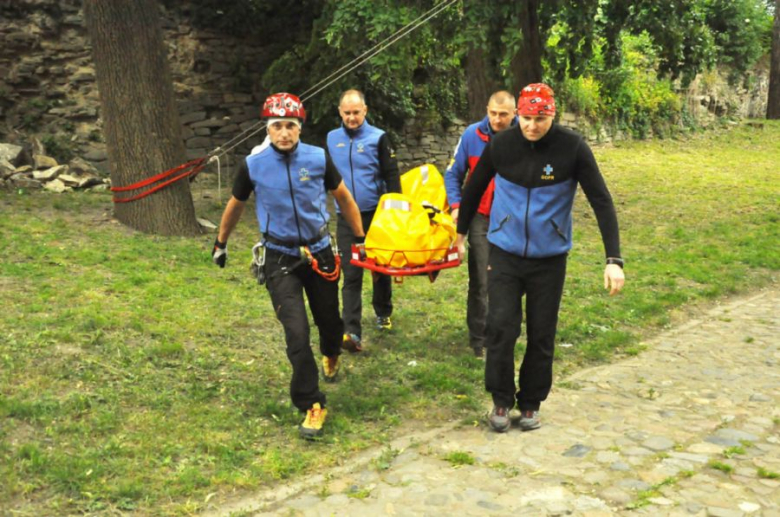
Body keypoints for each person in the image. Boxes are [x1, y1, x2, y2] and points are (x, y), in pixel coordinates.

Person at [455, 83, 626, 433]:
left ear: (553, 115)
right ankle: (501, 401)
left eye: (541, 118)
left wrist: (614, 259)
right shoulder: (502, 145)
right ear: (519, 114)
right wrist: (459, 236)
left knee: (541, 332)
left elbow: (602, 201)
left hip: (549, 258)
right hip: (504, 251)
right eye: (527, 118)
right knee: (500, 327)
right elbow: (473, 187)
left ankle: (531, 403)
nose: (532, 126)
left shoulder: (572, 148)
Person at [211, 93, 365, 440]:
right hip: (279, 256)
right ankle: (311, 403)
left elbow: (344, 198)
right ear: (268, 129)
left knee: (330, 321)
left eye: (290, 126)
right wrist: (221, 242)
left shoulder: (318, 157)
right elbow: (235, 205)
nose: (284, 133)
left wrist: (360, 238)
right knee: (296, 332)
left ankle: (331, 352)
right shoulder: (254, 165)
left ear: (299, 128)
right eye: (277, 126)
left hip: (320, 251)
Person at [327, 89, 401, 352]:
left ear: (365, 111)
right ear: (340, 112)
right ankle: (351, 331)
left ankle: (383, 311)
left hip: (376, 214)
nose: (351, 117)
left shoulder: (378, 137)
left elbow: (392, 174)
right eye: (347, 113)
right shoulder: (331, 139)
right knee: (351, 272)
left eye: (356, 112)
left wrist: (395, 211)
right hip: (346, 216)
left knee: (380, 269)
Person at [445, 91, 517, 358]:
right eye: (493, 114)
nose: (497, 120)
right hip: (480, 217)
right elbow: (453, 174)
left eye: (504, 115)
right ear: (487, 110)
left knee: (509, 277)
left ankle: (504, 331)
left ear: (515, 113)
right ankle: (479, 338)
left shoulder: (524, 136)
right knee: (482, 277)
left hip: (513, 219)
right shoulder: (471, 136)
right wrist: (456, 206)